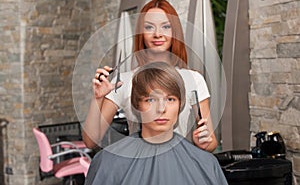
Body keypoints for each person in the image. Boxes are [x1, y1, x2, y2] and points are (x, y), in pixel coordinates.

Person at [83, 0, 217, 152]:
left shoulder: (194, 80)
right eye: (149, 27)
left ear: (175, 32)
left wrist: (204, 142)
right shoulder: (123, 82)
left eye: (165, 27)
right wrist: (98, 99)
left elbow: (211, 141)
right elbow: (90, 141)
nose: (157, 34)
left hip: (179, 166)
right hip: (139, 167)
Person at [84, 62, 227, 185]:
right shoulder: (108, 162)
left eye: (170, 99)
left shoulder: (206, 164)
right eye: (150, 100)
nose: (161, 109)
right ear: (137, 104)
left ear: (180, 104)